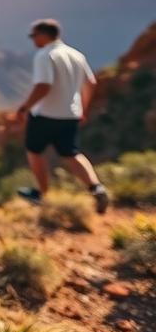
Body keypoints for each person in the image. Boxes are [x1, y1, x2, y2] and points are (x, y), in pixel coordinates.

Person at [15, 19, 108, 213]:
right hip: (70, 114)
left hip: (45, 114)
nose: (32, 40)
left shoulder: (45, 55)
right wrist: (83, 109)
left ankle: (41, 194)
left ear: (43, 35)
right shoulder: (76, 55)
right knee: (71, 153)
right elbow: (90, 83)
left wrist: (25, 108)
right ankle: (96, 188)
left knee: (34, 150)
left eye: (33, 35)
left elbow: (43, 86)